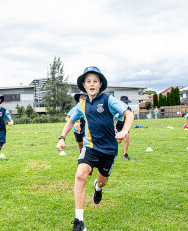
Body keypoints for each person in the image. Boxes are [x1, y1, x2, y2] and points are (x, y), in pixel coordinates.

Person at [56, 66, 134, 231]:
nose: (91, 84)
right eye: (88, 81)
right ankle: (79, 222)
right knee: (80, 175)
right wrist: (62, 138)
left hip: (109, 150)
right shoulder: (82, 104)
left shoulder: (108, 100)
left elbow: (129, 114)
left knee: (102, 181)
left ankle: (97, 188)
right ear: (84, 85)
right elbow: (70, 120)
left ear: (100, 84)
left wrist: (124, 130)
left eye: (95, 81)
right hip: (90, 146)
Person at [114, 96, 133, 160]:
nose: (126, 104)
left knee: (126, 137)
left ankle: (125, 154)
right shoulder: (118, 109)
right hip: (119, 125)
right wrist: (114, 127)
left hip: (126, 124)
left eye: (126, 103)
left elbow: (130, 117)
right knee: (119, 141)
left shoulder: (129, 109)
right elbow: (114, 118)